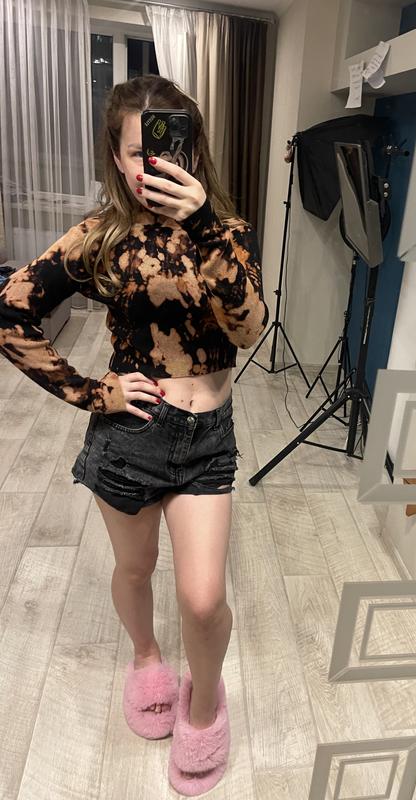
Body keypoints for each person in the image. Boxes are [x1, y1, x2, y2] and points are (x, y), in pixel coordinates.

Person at [0, 74, 269, 796]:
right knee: (135, 569)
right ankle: (147, 660)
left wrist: (205, 224)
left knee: (204, 599)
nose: (154, 164)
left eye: (169, 146)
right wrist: (94, 392)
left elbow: (249, 328)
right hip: (131, 433)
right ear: (117, 159)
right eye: (136, 151)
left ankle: (205, 707)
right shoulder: (101, 236)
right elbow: (10, 311)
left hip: (207, 437)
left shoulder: (227, 232)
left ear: (193, 150)